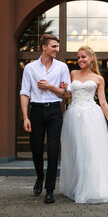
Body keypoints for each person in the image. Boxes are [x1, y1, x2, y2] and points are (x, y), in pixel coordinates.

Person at [45, 46, 108, 203]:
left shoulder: (98, 79)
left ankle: (92, 188)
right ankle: (76, 186)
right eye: (78, 57)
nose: (80, 60)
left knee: (90, 150)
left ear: (91, 58)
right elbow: (67, 95)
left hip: (91, 117)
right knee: (75, 151)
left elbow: (103, 102)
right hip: (73, 115)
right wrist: (60, 89)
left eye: (83, 57)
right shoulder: (72, 74)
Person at [20, 34, 71, 204]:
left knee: (53, 149)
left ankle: (50, 190)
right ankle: (40, 177)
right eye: (54, 46)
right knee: (36, 150)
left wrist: (51, 87)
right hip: (36, 111)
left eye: (57, 46)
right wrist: (26, 116)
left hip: (55, 110)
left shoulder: (62, 67)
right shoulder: (30, 68)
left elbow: (67, 94)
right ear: (44, 47)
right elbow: (25, 93)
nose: (57, 49)